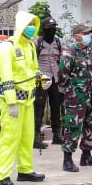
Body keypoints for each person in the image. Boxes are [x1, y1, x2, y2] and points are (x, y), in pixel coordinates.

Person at [0, 11, 46, 185]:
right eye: (28, 24)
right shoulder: (7, 48)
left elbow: (33, 70)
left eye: (33, 24)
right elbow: (6, 77)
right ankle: (4, 175)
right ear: (21, 26)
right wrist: (11, 103)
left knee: (26, 137)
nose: (31, 28)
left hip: (28, 101)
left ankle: (25, 170)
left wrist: (43, 78)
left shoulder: (30, 46)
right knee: (9, 139)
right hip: (13, 103)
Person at [59, 24, 92, 170]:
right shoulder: (70, 52)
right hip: (75, 97)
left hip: (90, 95)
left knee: (90, 125)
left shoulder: (89, 52)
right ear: (77, 36)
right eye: (85, 33)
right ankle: (67, 160)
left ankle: (87, 156)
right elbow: (62, 74)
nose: (88, 36)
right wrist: (69, 90)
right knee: (72, 126)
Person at [33, 18, 64, 149]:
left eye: (54, 27)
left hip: (55, 79)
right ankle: (35, 137)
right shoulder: (37, 43)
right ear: (44, 28)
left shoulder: (57, 42)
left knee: (56, 108)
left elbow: (60, 59)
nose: (52, 29)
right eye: (49, 27)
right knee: (38, 109)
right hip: (41, 80)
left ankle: (57, 136)